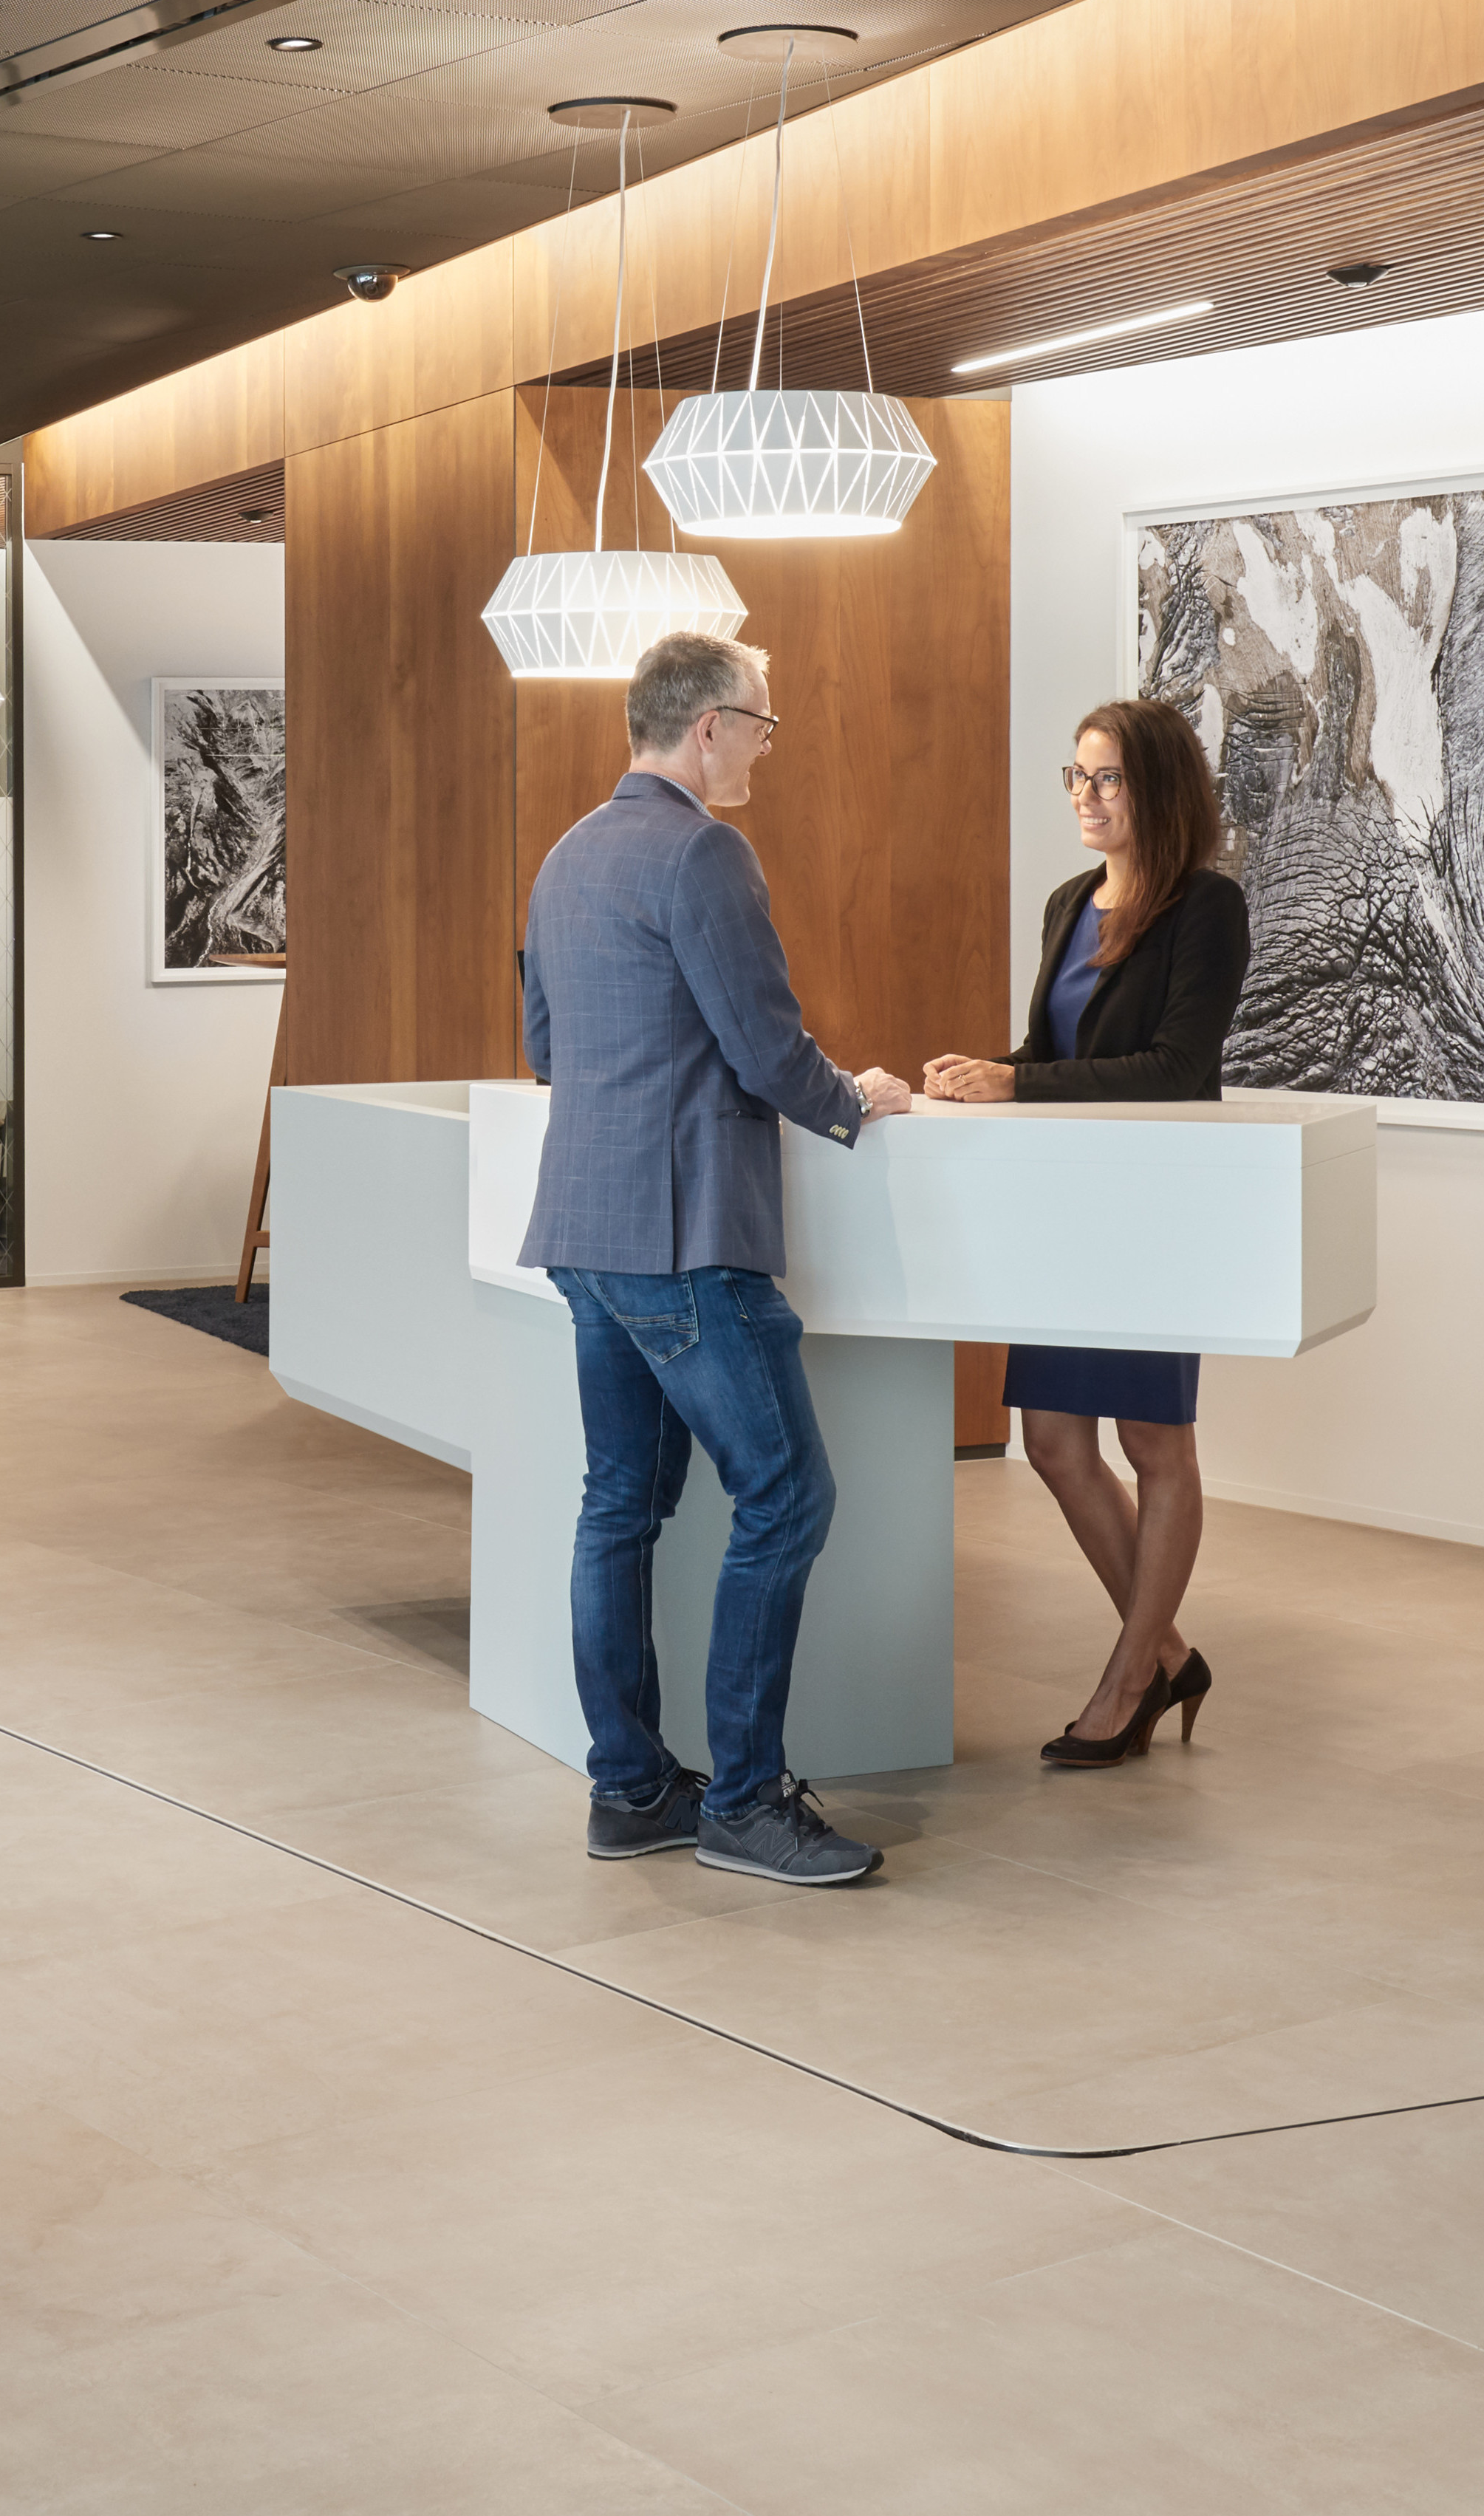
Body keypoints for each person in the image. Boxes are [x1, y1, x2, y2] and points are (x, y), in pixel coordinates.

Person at [519, 629, 915, 1883]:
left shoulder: (567, 855)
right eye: (761, 722)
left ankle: (631, 1790)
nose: (764, 743)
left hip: (585, 1235)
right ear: (706, 729)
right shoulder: (704, 852)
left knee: (617, 1510)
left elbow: (543, 1047)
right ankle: (744, 1802)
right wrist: (857, 1099)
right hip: (686, 1242)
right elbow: (764, 1047)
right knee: (787, 1495)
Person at [923, 695, 1251, 1769]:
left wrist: (1016, 1084)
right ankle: (1164, 1653)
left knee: (1154, 1445)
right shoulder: (1071, 900)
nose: (1084, 796)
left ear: (1156, 789)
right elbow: (1043, 1049)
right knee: (1054, 1442)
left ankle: (1127, 1680)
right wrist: (979, 1078)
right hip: (1063, 1213)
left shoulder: (1207, 908)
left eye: (1105, 778)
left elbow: (1175, 1070)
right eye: (1075, 777)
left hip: (1155, 1211)